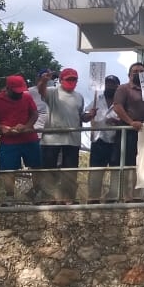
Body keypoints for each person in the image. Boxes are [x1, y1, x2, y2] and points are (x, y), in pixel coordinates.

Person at [37, 68, 96, 204]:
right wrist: (44, 81)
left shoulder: (79, 96)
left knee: (70, 170)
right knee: (49, 170)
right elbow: (41, 91)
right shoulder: (52, 92)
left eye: (74, 79)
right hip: (52, 138)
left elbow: (81, 116)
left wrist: (89, 115)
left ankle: (68, 198)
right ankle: (48, 198)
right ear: (61, 80)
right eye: (68, 79)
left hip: (72, 139)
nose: (71, 82)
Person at [0, 75, 40, 204]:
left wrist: (26, 126)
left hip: (29, 138)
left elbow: (35, 113)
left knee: (36, 166)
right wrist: (1, 127)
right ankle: (9, 198)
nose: (19, 94)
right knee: (7, 169)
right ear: (8, 88)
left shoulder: (27, 96)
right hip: (9, 141)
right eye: (16, 91)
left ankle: (38, 195)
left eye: (21, 90)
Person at [112, 63, 144, 200]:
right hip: (129, 132)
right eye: (135, 71)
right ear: (129, 74)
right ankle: (125, 195)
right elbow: (117, 107)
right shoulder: (123, 89)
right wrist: (131, 122)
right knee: (128, 163)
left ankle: (140, 195)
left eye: (141, 71)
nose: (138, 73)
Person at [86, 75, 122, 203]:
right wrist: (90, 115)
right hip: (98, 140)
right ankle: (93, 198)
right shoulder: (97, 99)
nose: (110, 86)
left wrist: (118, 122)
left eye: (113, 84)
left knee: (116, 172)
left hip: (115, 141)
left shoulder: (121, 102)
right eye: (107, 83)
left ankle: (112, 198)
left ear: (118, 86)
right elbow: (85, 116)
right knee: (96, 172)